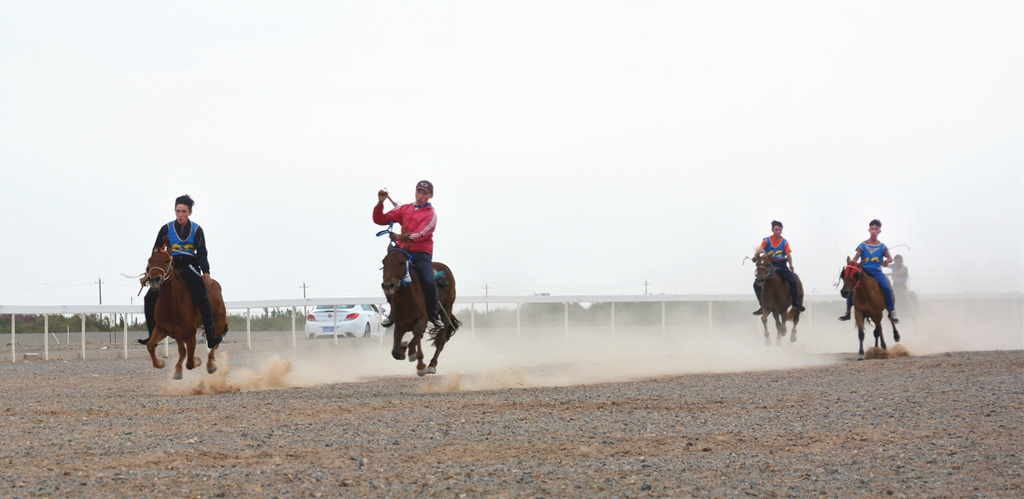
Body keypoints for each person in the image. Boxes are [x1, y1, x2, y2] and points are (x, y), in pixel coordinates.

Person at [137, 195, 220, 347]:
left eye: (183, 211)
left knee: (203, 296)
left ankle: (210, 335)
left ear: (190, 212)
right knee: (149, 298)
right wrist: (148, 274)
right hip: (170, 265)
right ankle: (151, 336)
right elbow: (156, 252)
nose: (180, 215)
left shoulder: (197, 229)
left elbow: (202, 251)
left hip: (189, 264)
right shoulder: (166, 229)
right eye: (177, 211)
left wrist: (206, 271)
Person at [373, 180, 444, 329]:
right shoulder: (405, 209)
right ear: (415, 192)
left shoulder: (431, 215)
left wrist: (400, 237)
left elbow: (421, 234)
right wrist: (380, 203)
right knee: (388, 276)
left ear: (430, 195)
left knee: (429, 281)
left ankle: (433, 313)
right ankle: (393, 311)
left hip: (421, 253)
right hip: (403, 251)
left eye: (424, 193)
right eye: (419, 192)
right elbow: (379, 219)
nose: (420, 196)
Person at [838, 219, 899, 323]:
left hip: (877, 271)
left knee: (886, 287)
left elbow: (890, 258)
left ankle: (891, 311)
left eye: (876, 229)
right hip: (864, 270)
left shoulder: (882, 246)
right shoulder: (862, 245)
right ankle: (848, 311)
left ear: (879, 231)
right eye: (872, 229)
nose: (874, 231)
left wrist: (886, 261)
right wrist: (852, 263)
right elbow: (856, 257)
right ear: (869, 230)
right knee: (851, 286)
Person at [751, 220, 804, 315]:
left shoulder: (784, 242)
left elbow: (788, 254)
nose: (778, 231)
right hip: (769, 265)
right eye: (776, 229)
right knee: (756, 284)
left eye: (780, 229)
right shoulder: (767, 240)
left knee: (792, 281)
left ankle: (795, 303)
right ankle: (762, 306)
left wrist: (791, 265)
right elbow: (760, 250)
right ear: (772, 230)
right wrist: (755, 257)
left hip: (781, 264)